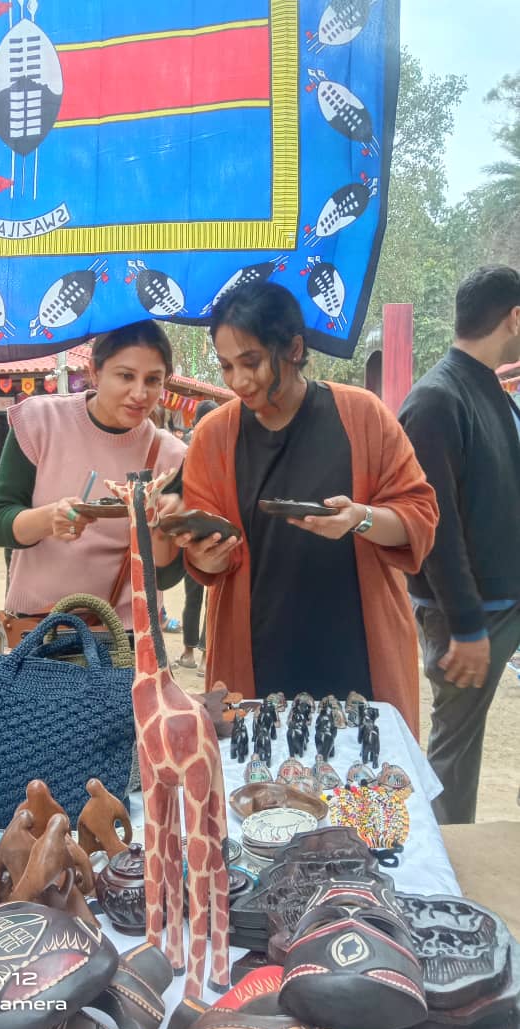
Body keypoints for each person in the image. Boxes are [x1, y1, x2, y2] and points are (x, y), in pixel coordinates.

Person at [179, 282, 438, 736]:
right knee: (257, 789)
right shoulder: (213, 436)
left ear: (295, 348)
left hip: (356, 651)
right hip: (256, 654)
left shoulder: (364, 416)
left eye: (252, 362)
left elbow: (419, 516)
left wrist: (362, 518)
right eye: (226, 366)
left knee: (364, 787)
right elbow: (203, 552)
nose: (238, 381)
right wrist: (204, 556)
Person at [398, 265, 520, 824]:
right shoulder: (437, 401)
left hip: (505, 600)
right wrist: (466, 626)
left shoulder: (492, 392)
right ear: (514, 318)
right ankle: (446, 878)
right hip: (471, 615)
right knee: (454, 756)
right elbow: (434, 527)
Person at [0, 320, 187, 628]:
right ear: (94, 371)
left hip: (125, 638)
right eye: (125, 376)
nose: (139, 393)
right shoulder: (40, 421)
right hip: (40, 627)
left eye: (153, 380)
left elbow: (168, 577)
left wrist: (160, 528)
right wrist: (50, 518)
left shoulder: (171, 456)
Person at [178, 400, 219, 673]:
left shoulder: (185, 448)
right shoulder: (222, 446)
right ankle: (206, 659)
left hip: (192, 528)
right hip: (218, 527)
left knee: (192, 594)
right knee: (211, 596)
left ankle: (188, 653)